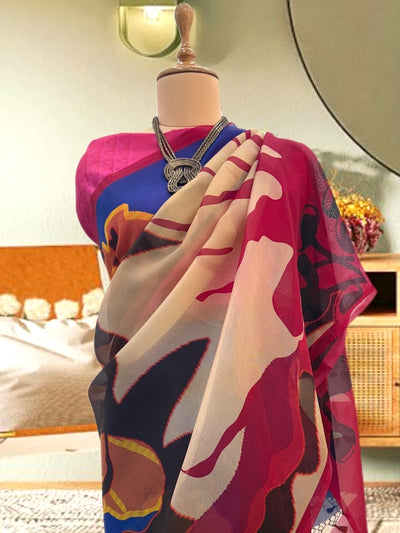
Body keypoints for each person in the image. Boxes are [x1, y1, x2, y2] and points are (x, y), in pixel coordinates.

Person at [76, 4, 375, 532]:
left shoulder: (289, 163)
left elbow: (314, 304)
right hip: (140, 400)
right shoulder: (101, 165)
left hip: (254, 400)